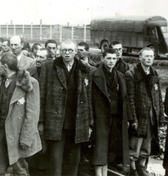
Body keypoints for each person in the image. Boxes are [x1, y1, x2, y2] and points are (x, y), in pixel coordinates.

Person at [0, 53, 41, 176]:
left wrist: (26, 138)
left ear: (5, 66)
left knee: (19, 169)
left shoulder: (29, 83)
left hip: (17, 132)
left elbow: (33, 113)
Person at [39, 39, 94, 176]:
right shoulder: (48, 67)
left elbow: (88, 98)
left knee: (73, 161)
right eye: (64, 50)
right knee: (56, 160)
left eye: (70, 50)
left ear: (76, 51)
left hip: (77, 123)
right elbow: (41, 95)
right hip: (56, 123)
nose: (67, 53)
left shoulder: (84, 69)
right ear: (60, 51)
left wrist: (89, 123)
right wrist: (40, 121)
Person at [126, 47, 165, 176]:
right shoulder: (131, 74)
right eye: (146, 56)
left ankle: (142, 167)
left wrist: (160, 115)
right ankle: (132, 169)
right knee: (135, 145)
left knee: (146, 145)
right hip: (139, 116)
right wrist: (133, 119)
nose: (149, 59)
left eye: (151, 56)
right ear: (140, 57)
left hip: (151, 116)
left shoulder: (154, 73)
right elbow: (130, 99)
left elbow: (158, 97)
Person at [92, 48, 130, 176]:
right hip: (100, 117)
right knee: (100, 148)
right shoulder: (95, 75)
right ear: (103, 58)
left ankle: (105, 173)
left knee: (109, 148)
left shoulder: (119, 76)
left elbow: (124, 98)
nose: (111, 61)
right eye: (108, 58)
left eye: (114, 58)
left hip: (115, 117)